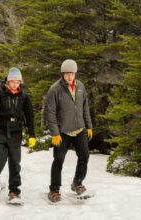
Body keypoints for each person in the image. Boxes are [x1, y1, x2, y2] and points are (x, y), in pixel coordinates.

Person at [0, 67, 36, 203]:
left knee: (15, 162)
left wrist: (32, 135)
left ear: (20, 82)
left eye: (17, 82)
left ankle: (14, 191)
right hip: (0, 130)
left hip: (16, 132)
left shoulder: (24, 96)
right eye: (12, 81)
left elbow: (29, 116)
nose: (15, 84)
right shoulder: (0, 94)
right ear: (8, 81)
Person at [44, 59, 93, 203]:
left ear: (75, 73)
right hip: (62, 132)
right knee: (58, 160)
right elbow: (50, 113)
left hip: (79, 130)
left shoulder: (80, 87)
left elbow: (85, 108)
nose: (69, 76)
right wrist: (55, 133)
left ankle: (77, 182)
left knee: (84, 156)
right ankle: (54, 189)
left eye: (72, 73)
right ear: (62, 74)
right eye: (66, 74)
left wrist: (89, 126)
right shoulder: (55, 89)